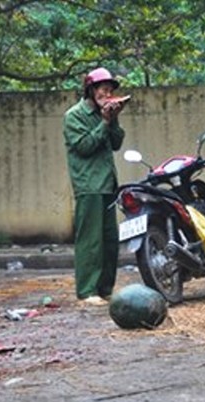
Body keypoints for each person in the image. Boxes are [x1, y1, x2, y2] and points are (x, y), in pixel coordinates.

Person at [63, 67, 127, 305]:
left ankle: (105, 289)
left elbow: (117, 143)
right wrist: (104, 122)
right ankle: (87, 291)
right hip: (89, 185)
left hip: (108, 184)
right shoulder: (74, 116)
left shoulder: (107, 113)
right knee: (91, 240)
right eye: (103, 89)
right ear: (90, 90)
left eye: (110, 90)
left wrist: (113, 119)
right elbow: (84, 146)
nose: (107, 93)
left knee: (110, 240)